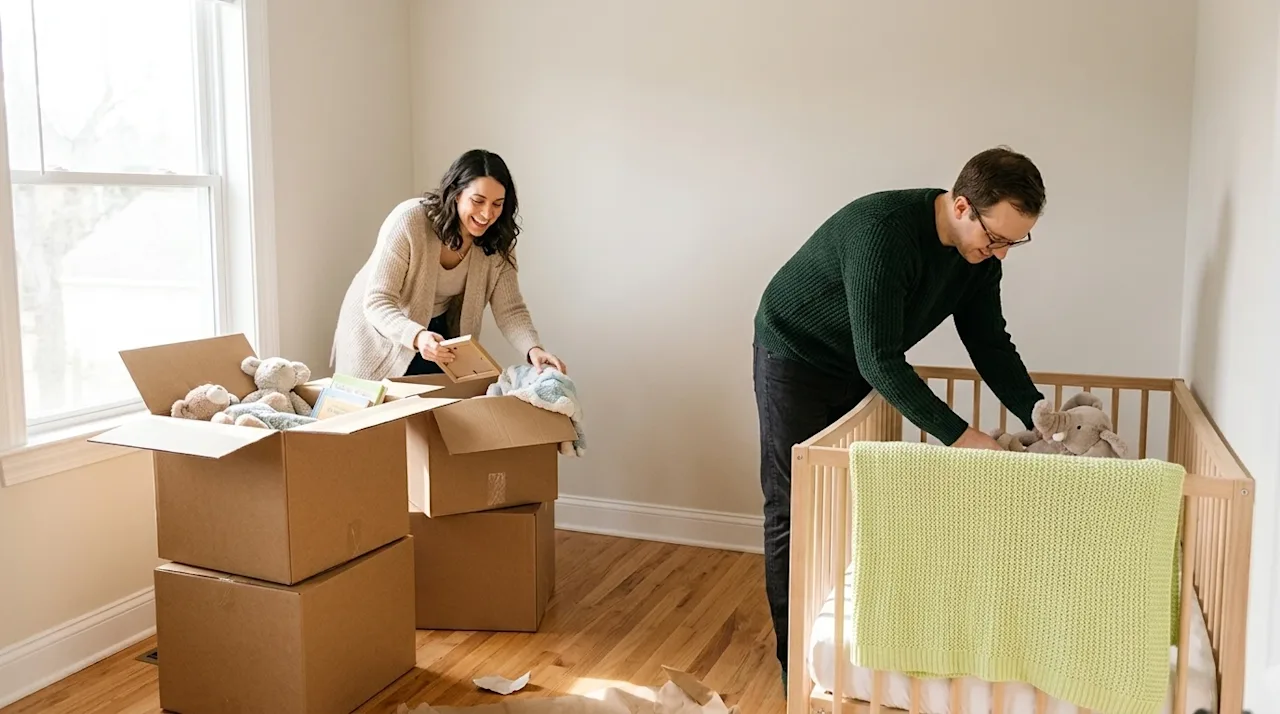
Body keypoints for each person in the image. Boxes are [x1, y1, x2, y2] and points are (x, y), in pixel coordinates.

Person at [751, 146, 1047, 684]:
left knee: (853, 496)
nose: (1001, 253)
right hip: (795, 350)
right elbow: (880, 358)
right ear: (961, 207)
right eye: (997, 237)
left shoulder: (977, 262)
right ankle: (794, 667)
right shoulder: (884, 232)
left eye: (1015, 242)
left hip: (857, 358)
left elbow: (990, 344)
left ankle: (844, 629)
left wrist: (1036, 411)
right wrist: (960, 436)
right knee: (793, 506)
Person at [331, 149, 566, 380]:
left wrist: (533, 348)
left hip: (434, 329)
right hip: (379, 328)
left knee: (439, 409)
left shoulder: (497, 241)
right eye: (478, 201)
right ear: (456, 194)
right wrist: (417, 336)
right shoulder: (410, 221)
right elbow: (377, 301)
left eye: (497, 204)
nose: (487, 214)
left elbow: (510, 309)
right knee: (380, 413)